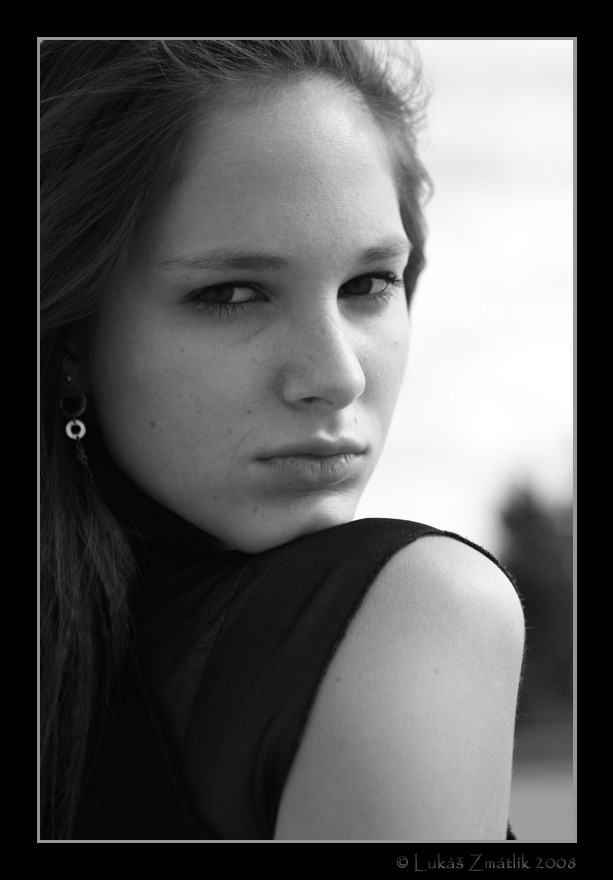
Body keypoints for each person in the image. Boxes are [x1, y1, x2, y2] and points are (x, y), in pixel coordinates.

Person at [40, 38, 525, 842]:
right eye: (233, 294)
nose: (337, 376)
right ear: (70, 336)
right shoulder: (420, 612)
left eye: (368, 284)